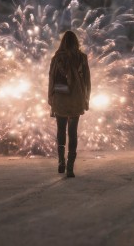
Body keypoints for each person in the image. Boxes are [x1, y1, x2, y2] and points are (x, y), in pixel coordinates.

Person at [48, 31, 91, 178]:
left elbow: (51, 79)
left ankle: (61, 161)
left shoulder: (57, 58)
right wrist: (86, 99)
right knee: (72, 132)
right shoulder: (82, 58)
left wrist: (50, 98)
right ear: (76, 42)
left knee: (61, 130)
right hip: (76, 98)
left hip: (60, 96)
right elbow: (87, 81)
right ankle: (70, 167)